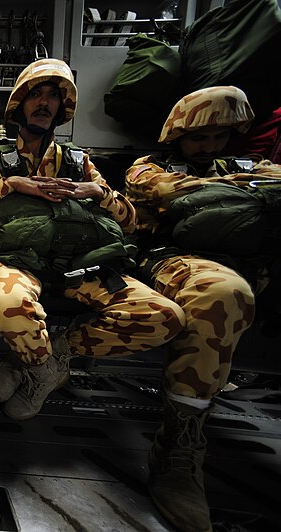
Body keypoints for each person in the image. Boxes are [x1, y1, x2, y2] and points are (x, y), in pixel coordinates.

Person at [0, 58, 185, 422]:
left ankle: (50, 355)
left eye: (52, 97)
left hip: (80, 265)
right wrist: (9, 186)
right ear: (20, 105)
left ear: (61, 108)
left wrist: (96, 191)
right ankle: (43, 371)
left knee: (165, 317)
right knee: (10, 305)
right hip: (13, 263)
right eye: (36, 95)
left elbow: (131, 223)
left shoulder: (79, 163)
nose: (44, 103)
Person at [124, 85, 281, 532]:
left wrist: (238, 182)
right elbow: (176, 195)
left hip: (256, 262)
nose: (209, 146)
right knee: (224, 294)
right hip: (176, 260)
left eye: (219, 137)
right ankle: (179, 443)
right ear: (177, 137)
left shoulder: (245, 167)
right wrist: (249, 187)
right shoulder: (149, 169)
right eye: (199, 138)